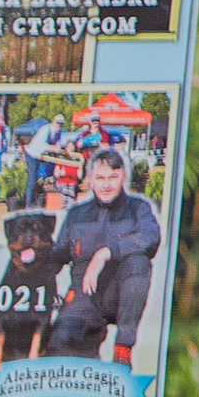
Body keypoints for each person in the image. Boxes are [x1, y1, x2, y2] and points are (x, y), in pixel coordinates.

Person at [46, 147, 162, 364]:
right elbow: (58, 255)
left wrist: (106, 252)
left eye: (113, 177)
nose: (106, 185)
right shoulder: (76, 214)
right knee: (58, 346)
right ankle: (90, 337)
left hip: (122, 296)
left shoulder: (139, 209)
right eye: (100, 178)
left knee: (138, 262)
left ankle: (123, 347)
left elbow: (150, 238)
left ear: (123, 177)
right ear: (90, 179)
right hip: (85, 295)